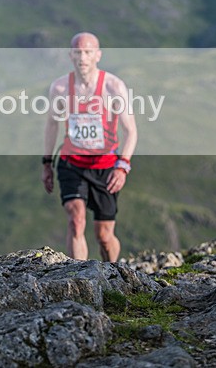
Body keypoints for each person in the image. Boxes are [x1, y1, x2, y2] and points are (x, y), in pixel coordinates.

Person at [41, 32, 138, 262]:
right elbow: (52, 124)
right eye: (77, 52)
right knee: (76, 221)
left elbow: (131, 131)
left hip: (106, 167)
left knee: (104, 235)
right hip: (71, 164)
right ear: (70, 56)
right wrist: (46, 163)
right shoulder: (60, 88)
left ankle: (113, 274)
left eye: (87, 52)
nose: (82, 58)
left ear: (98, 56)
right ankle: (80, 277)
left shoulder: (114, 87)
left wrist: (122, 166)